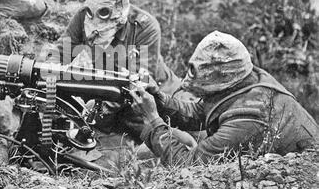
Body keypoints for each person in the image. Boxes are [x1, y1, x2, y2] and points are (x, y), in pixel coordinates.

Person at [130, 31, 319, 166]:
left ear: (222, 76)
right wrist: (159, 99)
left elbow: (188, 164)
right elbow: (200, 112)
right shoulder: (244, 79)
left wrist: (153, 120)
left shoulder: (249, 116)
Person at [47, 0, 188, 141]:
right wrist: (48, 76)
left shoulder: (145, 27)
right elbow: (59, 53)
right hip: (110, 93)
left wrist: (98, 108)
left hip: (154, 97)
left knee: (173, 140)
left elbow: (139, 84)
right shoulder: (84, 16)